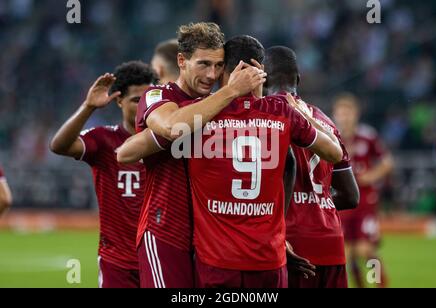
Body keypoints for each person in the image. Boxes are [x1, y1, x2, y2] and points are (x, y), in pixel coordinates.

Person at [120, 35, 343, 288]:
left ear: (226, 69)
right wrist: (301, 112)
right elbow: (333, 153)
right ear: (261, 72)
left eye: (216, 67)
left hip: (218, 262)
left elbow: (126, 152)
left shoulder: (199, 115)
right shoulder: (283, 112)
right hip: (269, 261)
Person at [129, 22, 266, 288]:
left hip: (210, 238)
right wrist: (230, 92)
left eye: (218, 65)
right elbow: (172, 127)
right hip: (165, 231)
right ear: (181, 60)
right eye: (203, 64)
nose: (211, 74)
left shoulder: (220, 103)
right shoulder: (158, 95)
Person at [50, 61, 158, 288]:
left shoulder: (166, 141)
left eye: (147, 100)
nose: (143, 107)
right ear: (119, 101)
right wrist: (88, 107)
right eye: (136, 100)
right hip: (116, 261)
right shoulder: (103, 140)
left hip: (158, 257)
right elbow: (59, 145)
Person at [264, 46, 360, 288]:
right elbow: (350, 195)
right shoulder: (326, 122)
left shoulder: (265, 116)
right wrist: (316, 204)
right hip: (332, 243)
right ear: (298, 79)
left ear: (262, 77)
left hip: (291, 244)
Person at [333, 93, 394, 288]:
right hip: (343, 203)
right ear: (335, 115)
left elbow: (387, 162)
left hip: (365, 201)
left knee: (365, 251)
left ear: (356, 114)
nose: (345, 117)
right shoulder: (332, 136)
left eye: (348, 112)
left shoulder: (367, 137)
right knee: (347, 253)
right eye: (341, 113)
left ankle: (379, 283)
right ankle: (361, 285)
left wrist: (371, 176)